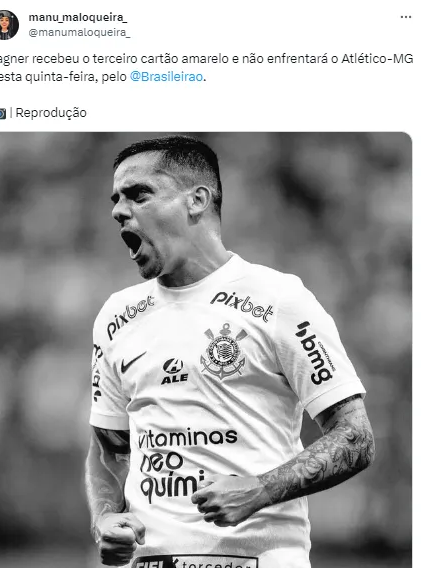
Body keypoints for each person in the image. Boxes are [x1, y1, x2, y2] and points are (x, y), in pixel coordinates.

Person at [85, 135, 375, 568]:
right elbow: (109, 449)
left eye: (139, 195)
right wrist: (106, 519)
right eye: (116, 199)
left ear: (197, 200)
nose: (118, 210)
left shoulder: (278, 300)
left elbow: (356, 437)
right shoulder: (117, 315)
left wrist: (260, 489)